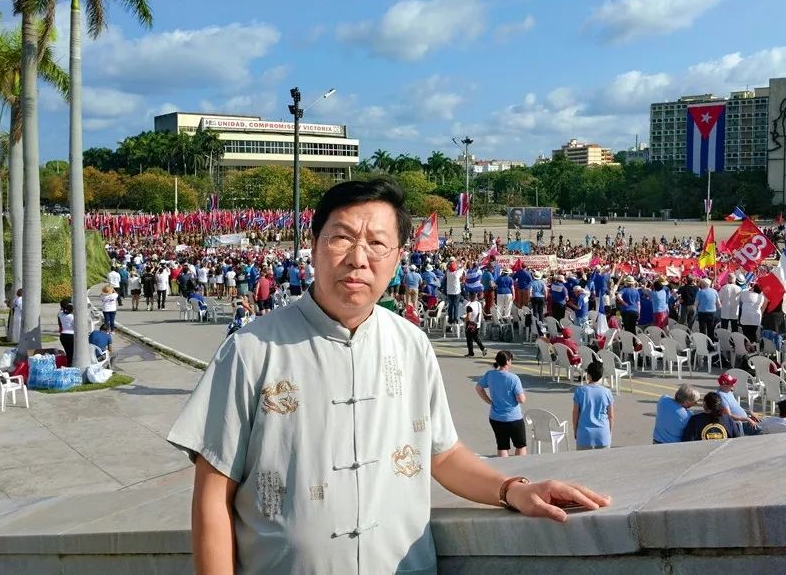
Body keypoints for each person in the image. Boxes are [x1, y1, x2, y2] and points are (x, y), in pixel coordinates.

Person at [167, 179, 610, 574]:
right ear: (314, 244)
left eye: (377, 244)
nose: (358, 258)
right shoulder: (250, 350)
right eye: (341, 238)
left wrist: (513, 488)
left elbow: (441, 454)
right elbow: (212, 494)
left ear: (398, 258)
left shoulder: (412, 344)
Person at [475, 350, 527, 457]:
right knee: (520, 445)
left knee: (502, 446)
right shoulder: (514, 378)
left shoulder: (490, 375)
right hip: (513, 418)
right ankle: (520, 468)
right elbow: (521, 399)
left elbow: (479, 388)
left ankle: (504, 469)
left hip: (496, 417)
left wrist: (488, 401)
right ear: (508, 361)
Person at [572, 361, 614, 450]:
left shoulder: (580, 391)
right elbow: (611, 416)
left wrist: (575, 430)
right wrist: (608, 433)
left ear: (588, 375)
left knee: (583, 462)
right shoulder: (607, 392)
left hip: (584, 434)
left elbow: (575, 414)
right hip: (603, 434)